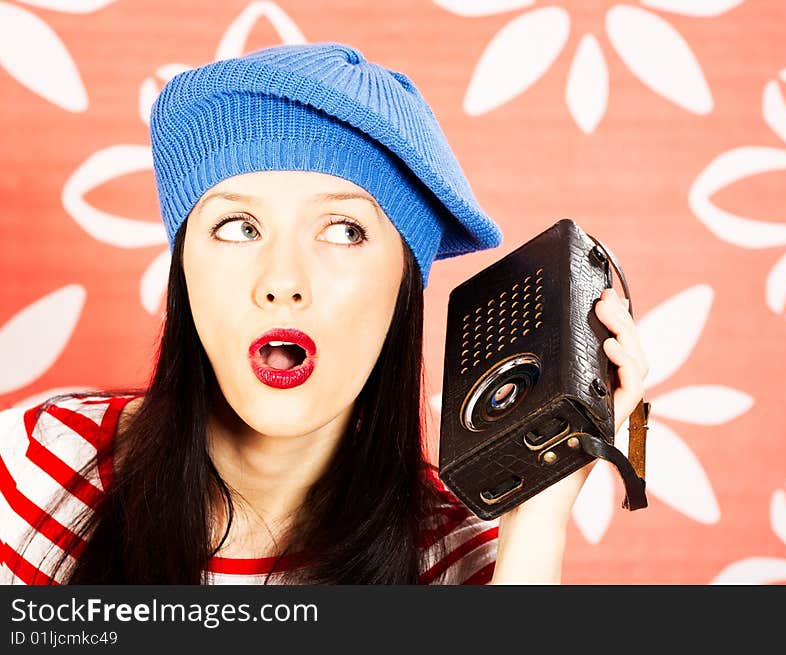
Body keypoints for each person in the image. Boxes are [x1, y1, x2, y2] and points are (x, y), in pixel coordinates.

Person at [0, 43, 648, 585]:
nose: (283, 282)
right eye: (237, 225)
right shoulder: (32, 465)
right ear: (184, 268)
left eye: (342, 231)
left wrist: (537, 512)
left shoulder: (461, 560)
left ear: (404, 285)